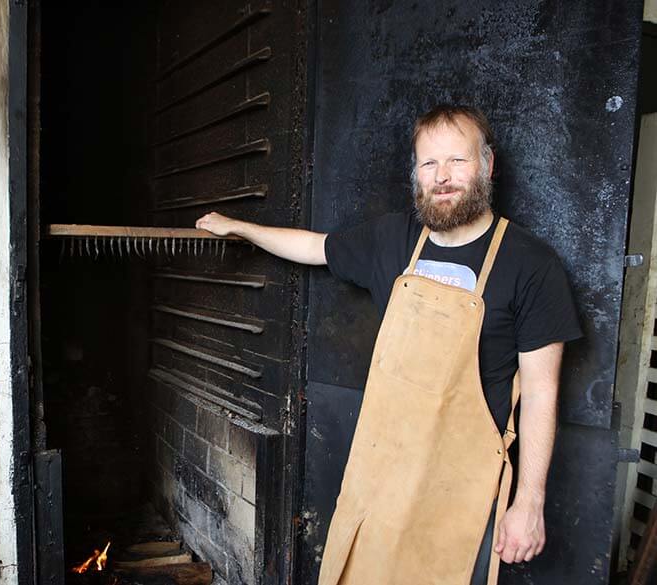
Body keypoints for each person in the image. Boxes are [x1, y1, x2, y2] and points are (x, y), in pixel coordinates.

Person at [196, 105, 582, 585]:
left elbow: (542, 392)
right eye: (429, 164)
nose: (442, 177)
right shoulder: (392, 239)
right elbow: (315, 248)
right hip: (380, 474)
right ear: (415, 174)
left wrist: (530, 501)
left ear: (487, 164)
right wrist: (242, 229)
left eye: (457, 161)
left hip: (461, 490)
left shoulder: (532, 265)